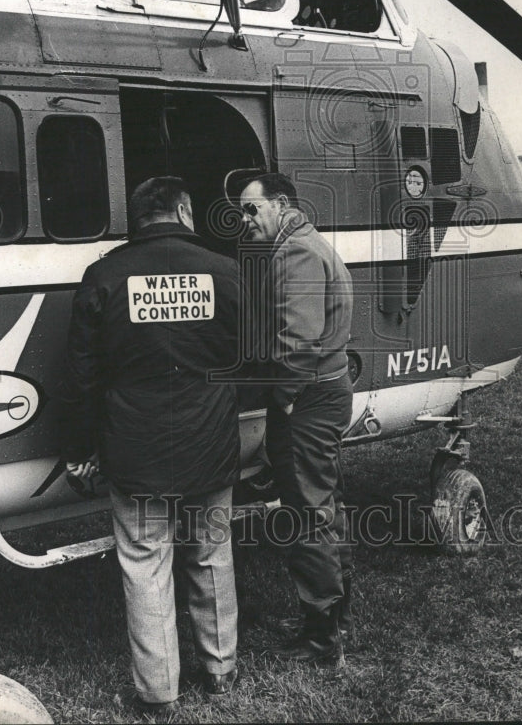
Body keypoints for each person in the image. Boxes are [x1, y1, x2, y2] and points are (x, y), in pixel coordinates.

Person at [58, 177, 241, 711]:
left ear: (136, 218)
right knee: (211, 555)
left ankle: (159, 693)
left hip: (135, 449)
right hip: (209, 442)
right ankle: (221, 670)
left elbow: (81, 376)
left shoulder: (103, 275)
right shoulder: (227, 271)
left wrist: (78, 448)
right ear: (184, 211)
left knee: (145, 563)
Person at [239, 172, 354, 666]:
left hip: (307, 400)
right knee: (322, 505)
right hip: (322, 394)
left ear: (281, 204)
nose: (245, 221)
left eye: (252, 209)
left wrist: (284, 400)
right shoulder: (308, 242)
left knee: (309, 513)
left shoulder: (296, 252)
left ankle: (321, 639)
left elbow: (299, 341)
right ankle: (329, 615)